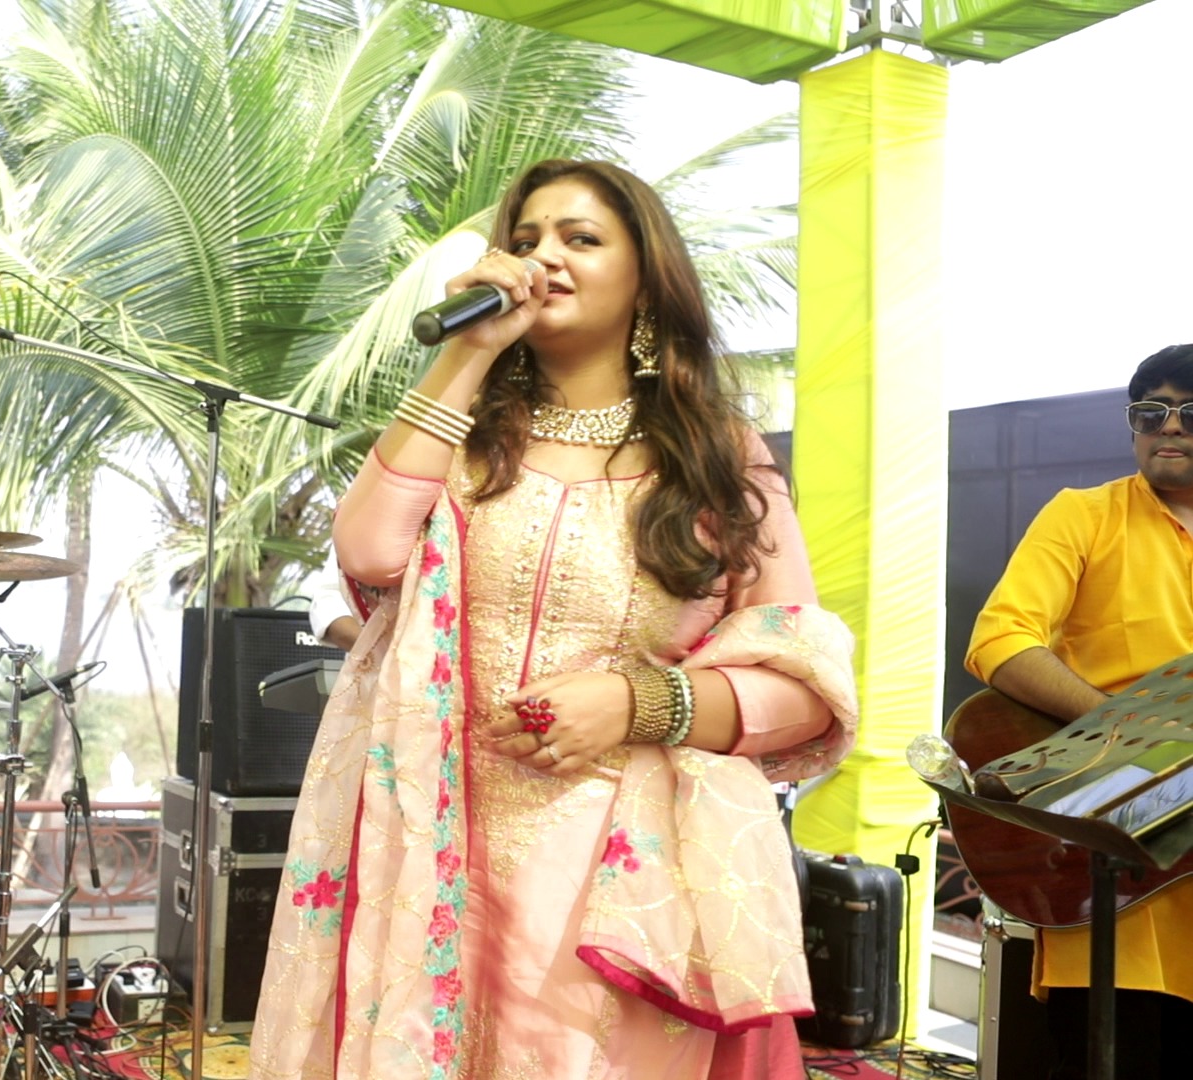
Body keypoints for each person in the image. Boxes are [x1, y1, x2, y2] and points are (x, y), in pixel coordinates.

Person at [248, 159, 858, 1079]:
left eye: (582, 238)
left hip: (622, 869)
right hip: (434, 846)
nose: (546, 257)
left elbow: (803, 685)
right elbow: (369, 552)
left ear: (645, 279)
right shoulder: (461, 437)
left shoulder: (715, 458)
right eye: (527, 239)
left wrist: (640, 703)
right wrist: (468, 352)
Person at [965, 345, 1193, 1080]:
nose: (1170, 426)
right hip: (1110, 872)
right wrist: (1124, 730)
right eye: (1151, 412)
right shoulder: (1084, 516)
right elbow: (1000, 642)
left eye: (1190, 412)